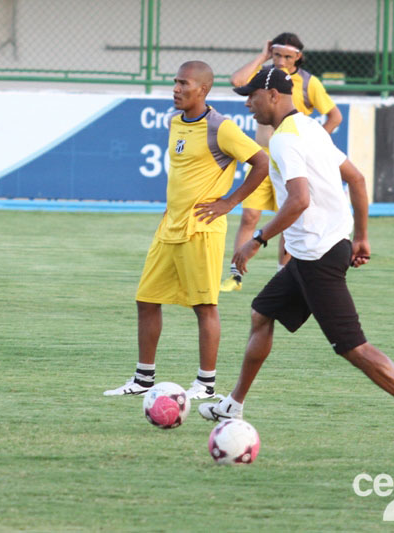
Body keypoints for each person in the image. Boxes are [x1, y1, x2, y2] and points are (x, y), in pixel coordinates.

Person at [197, 67, 394, 445]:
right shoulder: (311, 129)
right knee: (261, 312)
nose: (248, 103)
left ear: (273, 94)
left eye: (253, 95)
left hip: (318, 255)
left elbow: (299, 200)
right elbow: (355, 178)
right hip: (325, 247)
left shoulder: (285, 140)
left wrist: (255, 240)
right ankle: (233, 404)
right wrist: (361, 238)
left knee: (352, 346)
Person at [104, 61, 269, 399]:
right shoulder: (175, 122)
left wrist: (228, 202)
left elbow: (261, 163)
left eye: (184, 83)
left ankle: (206, 385)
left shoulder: (220, 127)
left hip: (202, 230)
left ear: (203, 89)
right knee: (146, 300)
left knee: (205, 306)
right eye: (175, 82)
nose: (176, 89)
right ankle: (143, 379)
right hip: (170, 227)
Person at [221, 32, 342, 292]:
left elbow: (334, 116)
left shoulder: (309, 83)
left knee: (288, 217)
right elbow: (237, 81)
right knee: (250, 215)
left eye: (288, 56)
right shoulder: (265, 75)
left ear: (298, 56)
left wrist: (315, 142)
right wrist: (261, 57)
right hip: (263, 157)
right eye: (277, 54)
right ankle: (235, 275)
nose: (282, 60)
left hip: (290, 160)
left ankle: (283, 274)